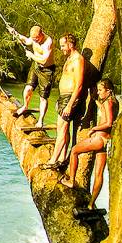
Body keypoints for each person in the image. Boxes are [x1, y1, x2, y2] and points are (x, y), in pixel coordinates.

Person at [61, 78, 117, 212]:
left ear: (108, 91)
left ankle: (71, 181)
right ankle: (91, 204)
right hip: (106, 142)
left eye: (100, 90)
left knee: (74, 150)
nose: (99, 93)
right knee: (99, 174)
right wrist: (94, 99)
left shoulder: (108, 103)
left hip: (98, 139)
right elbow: (105, 113)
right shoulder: (113, 102)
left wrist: (94, 129)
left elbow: (108, 123)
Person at [44, 33, 86, 169]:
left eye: (63, 45)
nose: (61, 48)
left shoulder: (78, 60)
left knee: (61, 128)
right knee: (63, 129)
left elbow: (79, 85)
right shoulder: (69, 58)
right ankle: (62, 158)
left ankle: (53, 160)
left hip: (70, 98)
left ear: (70, 44)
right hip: (63, 97)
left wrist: (69, 105)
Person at [10, 25, 55, 128]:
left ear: (41, 34)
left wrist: (31, 56)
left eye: (37, 39)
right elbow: (27, 41)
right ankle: (25, 106)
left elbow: (44, 61)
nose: (35, 41)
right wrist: (16, 33)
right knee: (27, 89)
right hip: (35, 67)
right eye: (34, 39)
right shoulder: (34, 39)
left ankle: (40, 120)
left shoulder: (48, 42)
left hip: (47, 70)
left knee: (43, 97)